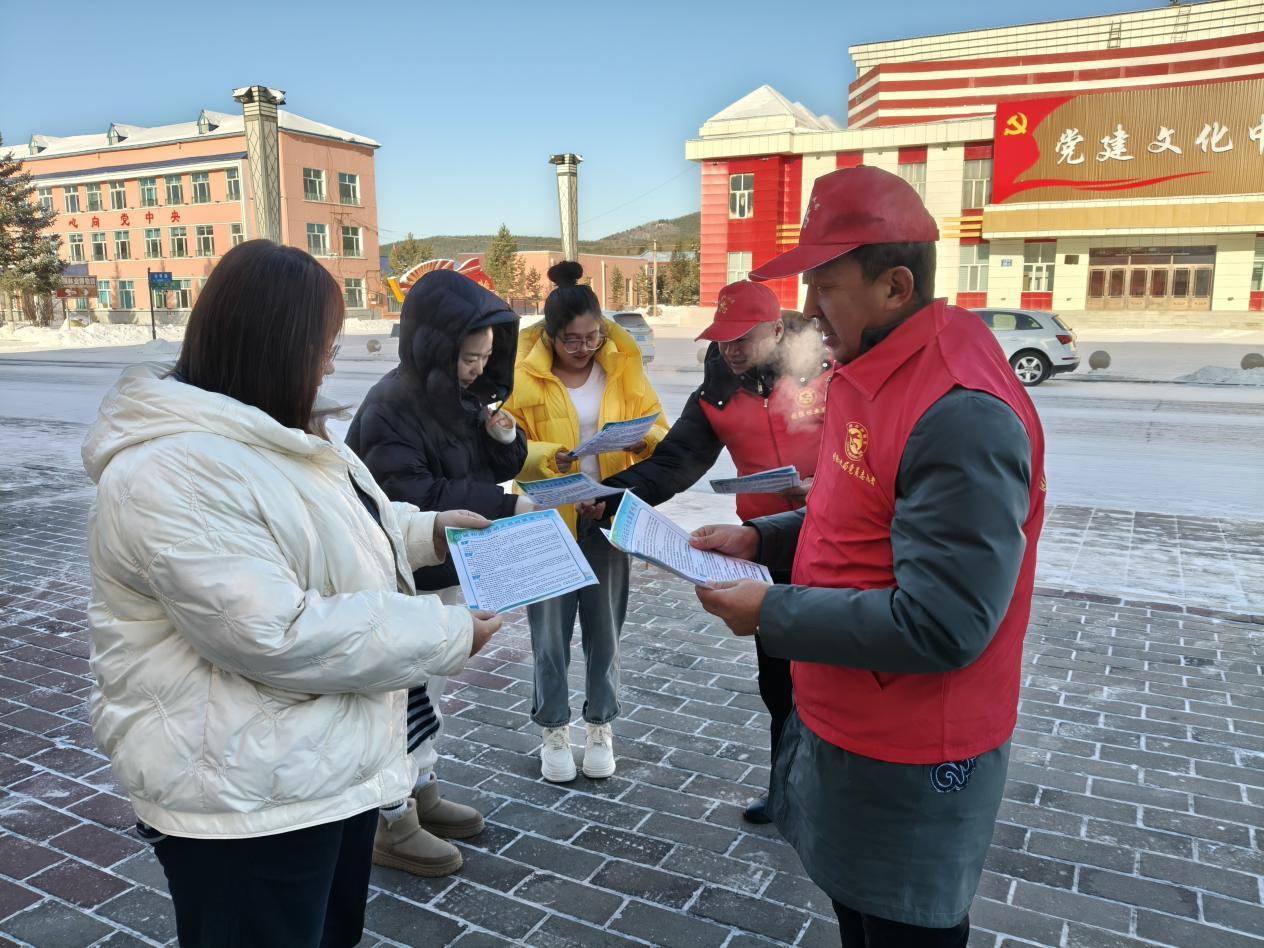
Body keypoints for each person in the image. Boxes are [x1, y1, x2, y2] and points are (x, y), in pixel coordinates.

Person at [82, 239, 502, 948]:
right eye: (324, 347)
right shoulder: (172, 469)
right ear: (274, 346)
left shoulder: (281, 429)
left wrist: (425, 532)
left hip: (320, 769)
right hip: (241, 795)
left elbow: (329, 528)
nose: (330, 365)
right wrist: (447, 633)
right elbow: (272, 630)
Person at [692, 166, 1046, 947]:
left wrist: (772, 611)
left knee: (901, 931)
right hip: (847, 720)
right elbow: (854, 510)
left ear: (895, 286)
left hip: (912, 749)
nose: (807, 310)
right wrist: (763, 540)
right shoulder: (867, 366)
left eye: (825, 286)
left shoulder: (958, 411)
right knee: (856, 920)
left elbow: (946, 623)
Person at [602, 279, 830, 823]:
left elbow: (868, 452)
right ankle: (784, 791)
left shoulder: (828, 374)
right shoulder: (716, 393)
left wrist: (824, 487)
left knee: (833, 677)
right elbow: (673, 463)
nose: (731, 349)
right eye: (723, 338)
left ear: (777, 330)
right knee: (778, 681)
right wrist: (608, 497)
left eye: (743, 337)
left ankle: (833, 796)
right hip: (764, 548)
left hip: (834, 541)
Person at [345, 269, 530, 876]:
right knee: (399, 697)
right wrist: (504, 506)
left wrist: (503, 439)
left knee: (430, 689)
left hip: (445, 565)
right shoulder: (392, 406)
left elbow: (478, 467)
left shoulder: (458, 398)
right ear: (434, 347)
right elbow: (410, 495)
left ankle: (421, 788)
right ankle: (391, 820)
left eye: (486, 357)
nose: (478, 369)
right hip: (403, 573)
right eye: (468, 357)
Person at [502, 261, 668, 783]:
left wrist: (643, 441)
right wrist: (549, 457)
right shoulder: (521, 376)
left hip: (605, 515)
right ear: (550, 336)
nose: (583, 348)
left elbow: (659, 431)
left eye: (592, 337)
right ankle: (554, 728)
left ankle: (601, 724)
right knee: (549, 634)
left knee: (606, 630)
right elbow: (506, 450)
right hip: (544, 519)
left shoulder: (623, 368)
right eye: (571, 340)